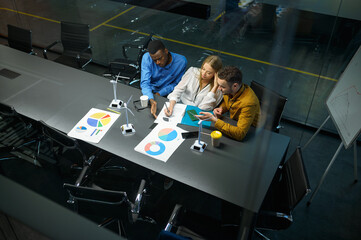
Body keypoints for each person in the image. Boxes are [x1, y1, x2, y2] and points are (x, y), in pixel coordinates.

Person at [196, 66, 260, 141]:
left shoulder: (249, 103)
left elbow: (240, 134)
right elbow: (228, 101)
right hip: (234, 122)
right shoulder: (230, 90)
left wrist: (214, 120)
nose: (219, 89)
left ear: (235, 86)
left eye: (222, 86)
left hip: (252, 130)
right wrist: (221, 108)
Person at [140, 40, 187, 118]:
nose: (157, 62)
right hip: (149, 92)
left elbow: (176, 84)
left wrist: (159, 93)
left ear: (166, 51)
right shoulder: (147, 58)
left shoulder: (181, 62)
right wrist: (151, 99)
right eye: (154, 60)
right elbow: (145, 83)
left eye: (159, 58)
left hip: (167, 94)